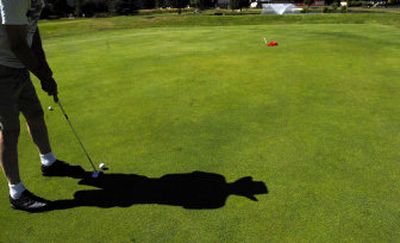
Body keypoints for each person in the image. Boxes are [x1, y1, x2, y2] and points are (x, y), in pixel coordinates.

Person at [0, 0, 81, 212]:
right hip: (2, 68)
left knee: (35, 114)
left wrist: (44, 68)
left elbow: (32, 31)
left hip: (18, 65)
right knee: (9, 130)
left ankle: (49, 163)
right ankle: (16, 193)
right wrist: (43, 76)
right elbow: (17, 42)